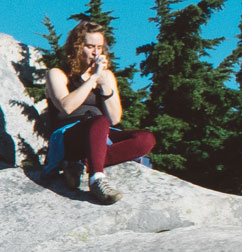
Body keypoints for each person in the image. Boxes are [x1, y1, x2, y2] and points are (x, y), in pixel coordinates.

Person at [44, 21, 157, 204]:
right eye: (89, 47)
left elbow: (115, 118)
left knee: (145, 139)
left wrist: (104, 85)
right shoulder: (57, 73)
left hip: (98, 133)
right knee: (99, 121)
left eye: (99, 47)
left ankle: (81, 165)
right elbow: (66, 107)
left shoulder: (106, 76)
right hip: (69, 135)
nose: (96, 53)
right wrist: (92, 78)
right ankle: (97, 179)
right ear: (77, 47)